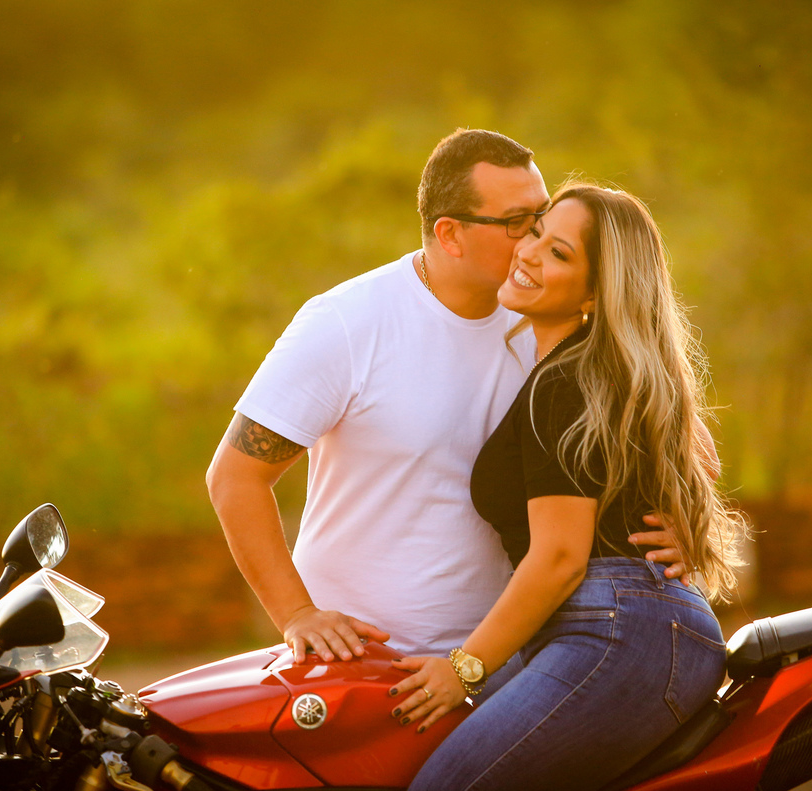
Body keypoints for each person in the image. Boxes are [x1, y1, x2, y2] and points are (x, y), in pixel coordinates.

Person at [205, 130, 694, 663]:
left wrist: (678, 526)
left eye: (542, 217)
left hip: (504, 659)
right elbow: (235, 477)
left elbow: (676, 442)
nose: (533, 240)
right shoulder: (346, 322)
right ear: (451, 234)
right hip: (363, 660)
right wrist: (297, 613)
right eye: (517, 223)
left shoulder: (548, 316)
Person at [390, 182, 747, 791]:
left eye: (558, 253)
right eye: (534, 233)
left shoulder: (568, 381)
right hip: (608, 624)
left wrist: (463, 669)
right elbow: (699, 458)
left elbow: (559, 557)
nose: (529, 253)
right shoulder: (592, 373)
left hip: (618, 629)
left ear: (594, 294)